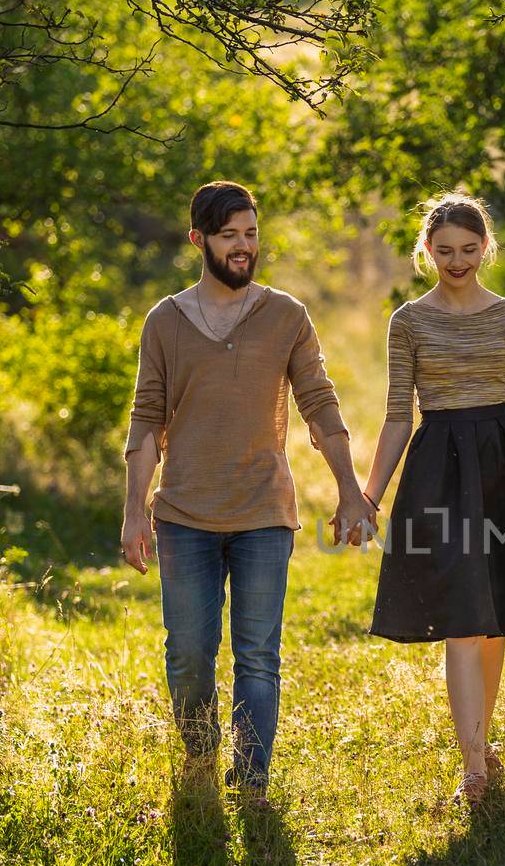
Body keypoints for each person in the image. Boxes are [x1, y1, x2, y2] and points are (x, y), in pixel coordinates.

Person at [120, 180, 377, 796]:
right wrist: (134, 512)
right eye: (230, 235)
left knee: (258, 655)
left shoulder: (285, 316)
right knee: (188, 654)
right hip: (183, 515)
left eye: (251, 234)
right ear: (198, 240)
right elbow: (146, 418)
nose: (243, 247)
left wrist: (349, 490)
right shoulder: (166, 320)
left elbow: (319, 403)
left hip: (264, 512)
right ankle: (202, 759)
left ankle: (251, 780)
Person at [361, 191, 505, 809]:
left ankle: (479, 743)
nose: (457, 261)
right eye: (444, 251)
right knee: (463, 622)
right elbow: (396, 417)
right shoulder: (408, 321)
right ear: (425, 251)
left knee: (494, 622)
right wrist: (370, 493)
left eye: (468, 249)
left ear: (486, 247)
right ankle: (473, 769)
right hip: (438, 469)